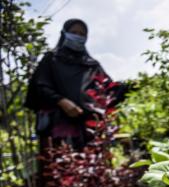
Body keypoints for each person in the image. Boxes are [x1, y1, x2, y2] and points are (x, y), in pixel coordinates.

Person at [25, 18, 126, 151]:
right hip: (57, 127)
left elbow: (108, 90)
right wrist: (62, 101)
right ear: (64, 33)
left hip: (88, 129)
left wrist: (128, 87)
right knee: (61, 165)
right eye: (74, 32)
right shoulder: (52, 59)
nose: (78, 36)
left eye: (82, 34)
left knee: (91, 166)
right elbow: (40, 86)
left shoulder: (92, 65)